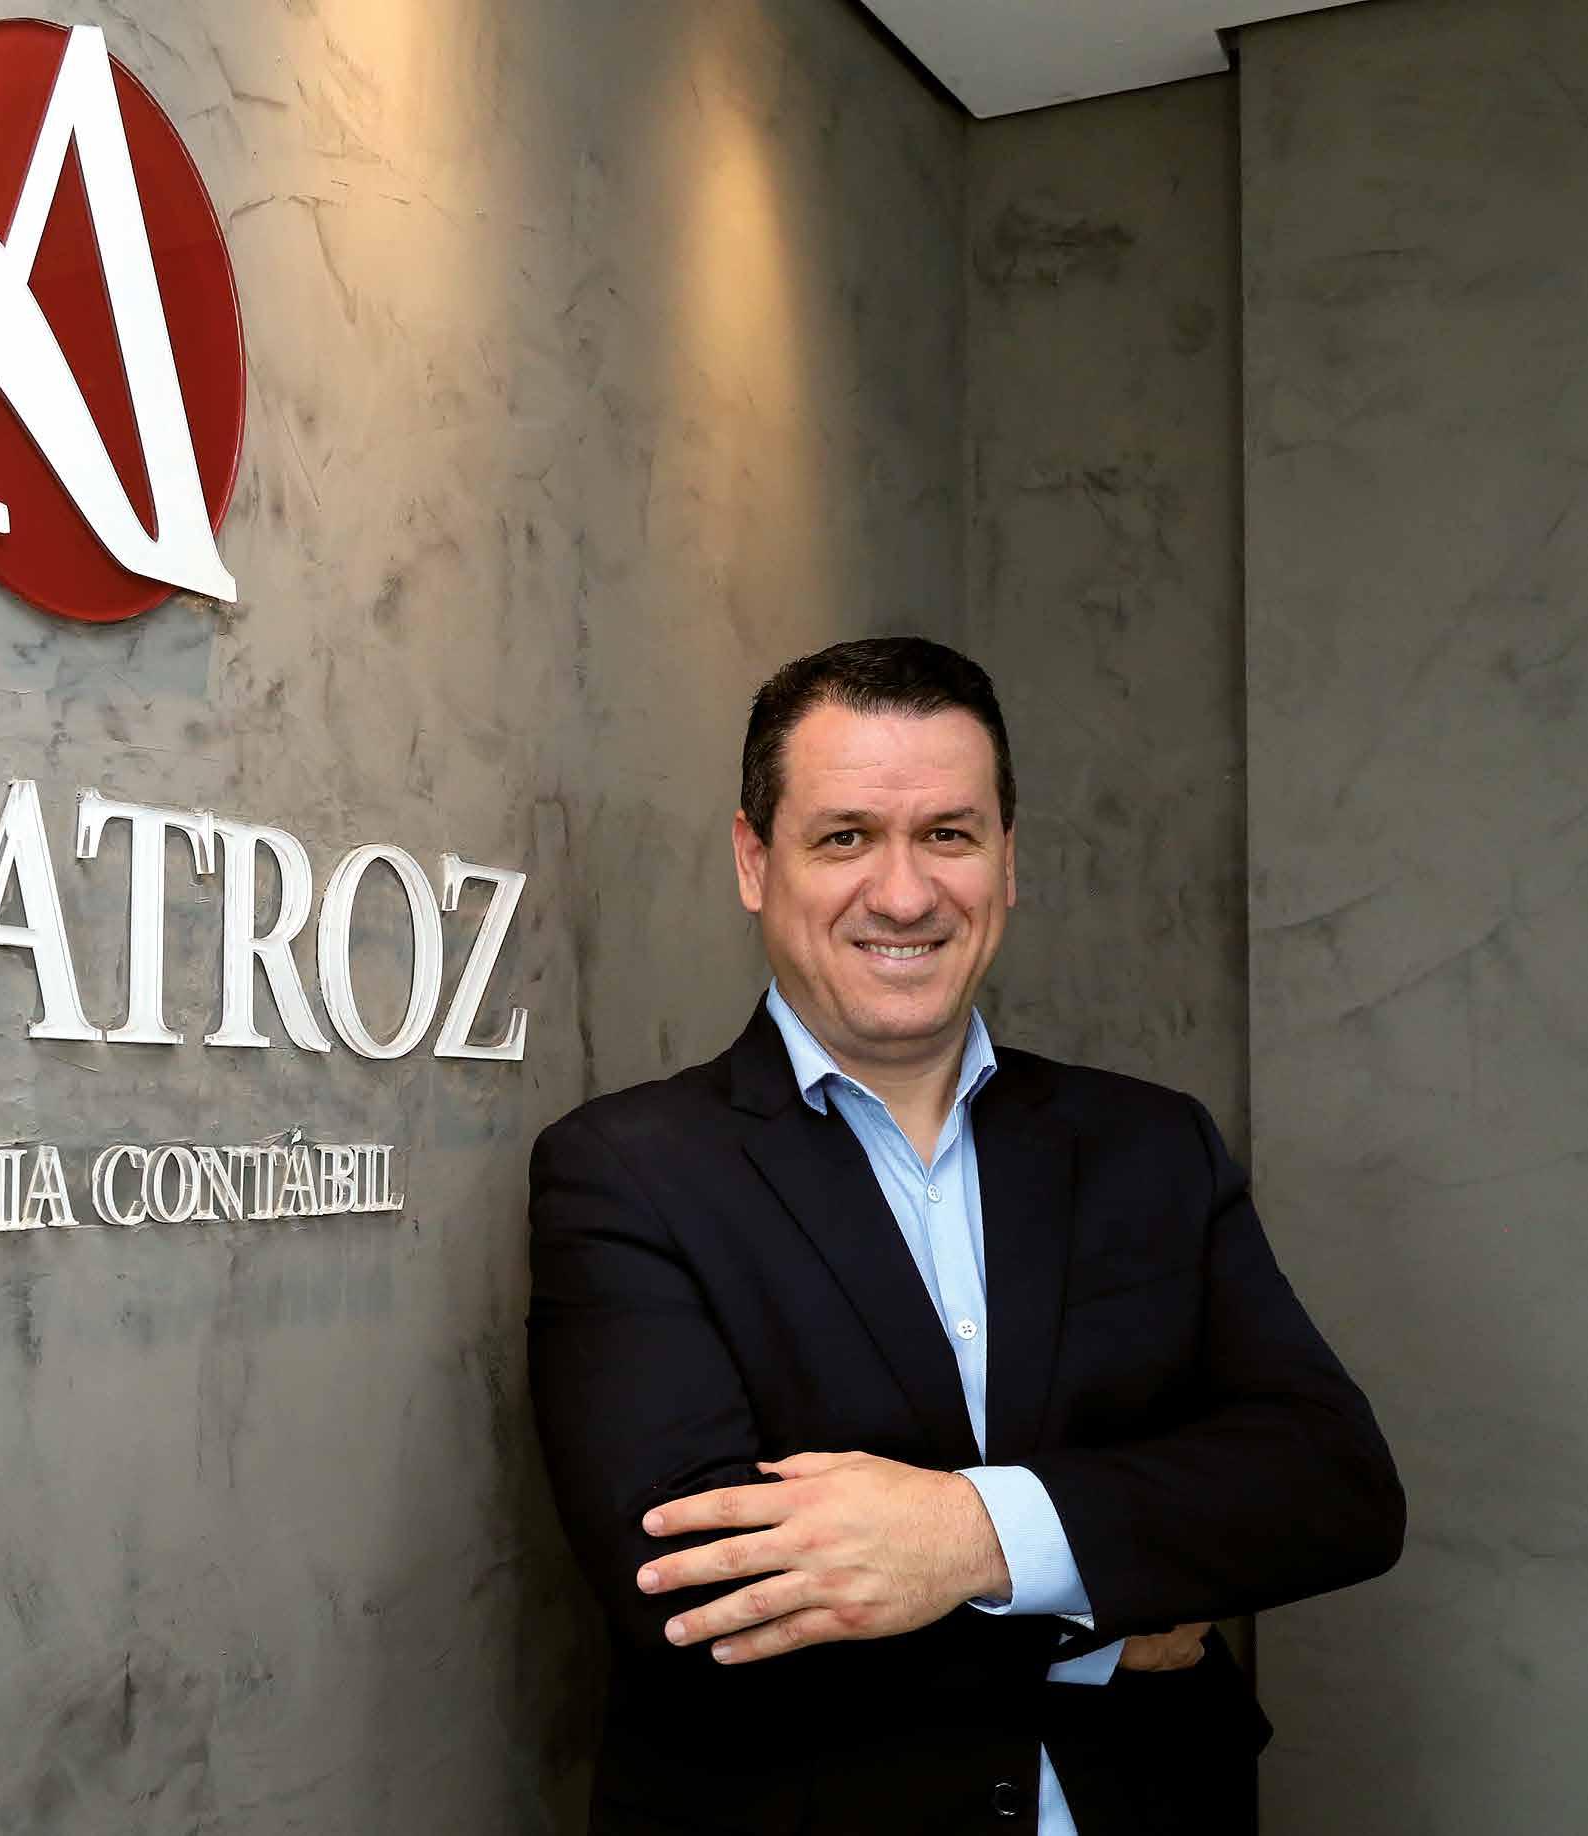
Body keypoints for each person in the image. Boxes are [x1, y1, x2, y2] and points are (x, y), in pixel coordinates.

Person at [527, 638, 1403, 1834]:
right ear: (752, 859)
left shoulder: (1151, 1144)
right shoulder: (625, 1170)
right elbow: (694, 1599)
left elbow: (1330, 1483)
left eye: (946, 833)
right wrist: (1107, 1622)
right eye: (845, 837)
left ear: (1005, 858)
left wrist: (964, 1537)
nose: (902, 895)